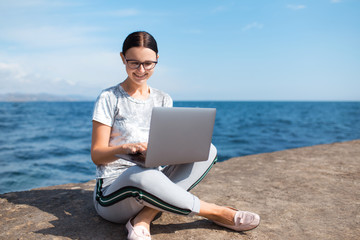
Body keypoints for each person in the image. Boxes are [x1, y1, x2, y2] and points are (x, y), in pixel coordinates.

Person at [91, 31, 260, 240]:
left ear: (157, 61)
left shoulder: (163, 99)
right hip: (113, 191)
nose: (141, 70)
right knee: (145, 175)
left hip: (153, 179)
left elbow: (166, 150)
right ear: (122, 59)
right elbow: (97, 155)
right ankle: (216, 212)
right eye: (133, 63)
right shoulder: (109, 97)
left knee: (208, 151)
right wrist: (124, 149)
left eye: (148, 64)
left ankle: (143, 218)